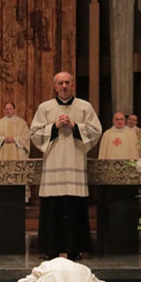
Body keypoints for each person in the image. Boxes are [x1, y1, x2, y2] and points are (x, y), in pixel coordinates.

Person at [30, 71, 102, 260]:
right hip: (53, 165)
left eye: (67, 82)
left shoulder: (84, 107)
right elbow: (34, 133)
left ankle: (74, 248)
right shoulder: (45, 108)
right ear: (54, 86)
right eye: (60, 83)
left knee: (74, 207)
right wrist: (53, 127)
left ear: (72, 85)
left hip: (74, 164)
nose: (64, 86)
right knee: (53, 207)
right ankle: (51, 249)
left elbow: (96, 130)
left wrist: (75, 126)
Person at [0, 102, 31, 201]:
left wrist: (14, 139)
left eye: (10, 109)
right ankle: (2, 198)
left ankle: (20, 198)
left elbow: (26, 137)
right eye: (6, 109)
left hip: (17, 154)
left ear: (14, 110)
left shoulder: (22, 123)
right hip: (3, 155)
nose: (8, 111)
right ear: (4, 110)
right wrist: (3, 139)